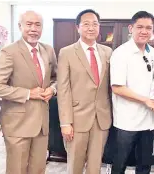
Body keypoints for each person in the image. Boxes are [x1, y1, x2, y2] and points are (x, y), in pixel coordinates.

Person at [0, 11, 57, 174]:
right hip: (17, 124)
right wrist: (28, 93)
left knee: (38, 169)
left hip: (41, 125)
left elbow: (57, 78)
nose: (33, 29)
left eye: (37, 25)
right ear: (20, 26)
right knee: (17, 170)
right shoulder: (9, 52)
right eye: (29, 24)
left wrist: (52, 89)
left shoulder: (48, 50)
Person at [57, 9, 113, 174]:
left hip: (101, 118)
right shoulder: (66, 53)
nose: (91, 28)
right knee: (75, 165)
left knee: (95, 166)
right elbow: (63, 88)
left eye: (95, 24)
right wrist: (65, 122)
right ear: (78, 28)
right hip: (76, 118)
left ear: (99, 27)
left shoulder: (107, 52)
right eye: (86, 24)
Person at [110, 11, 154, 174]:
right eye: (140, 27)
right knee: (120, 164)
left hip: (149, 120)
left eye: (149, 28)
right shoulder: (121, 53)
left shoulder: (153, 53)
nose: (144, 31)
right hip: (127, 121)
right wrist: (146, 101)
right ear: (130, 28)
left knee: (145, 165)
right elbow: (117, 87)